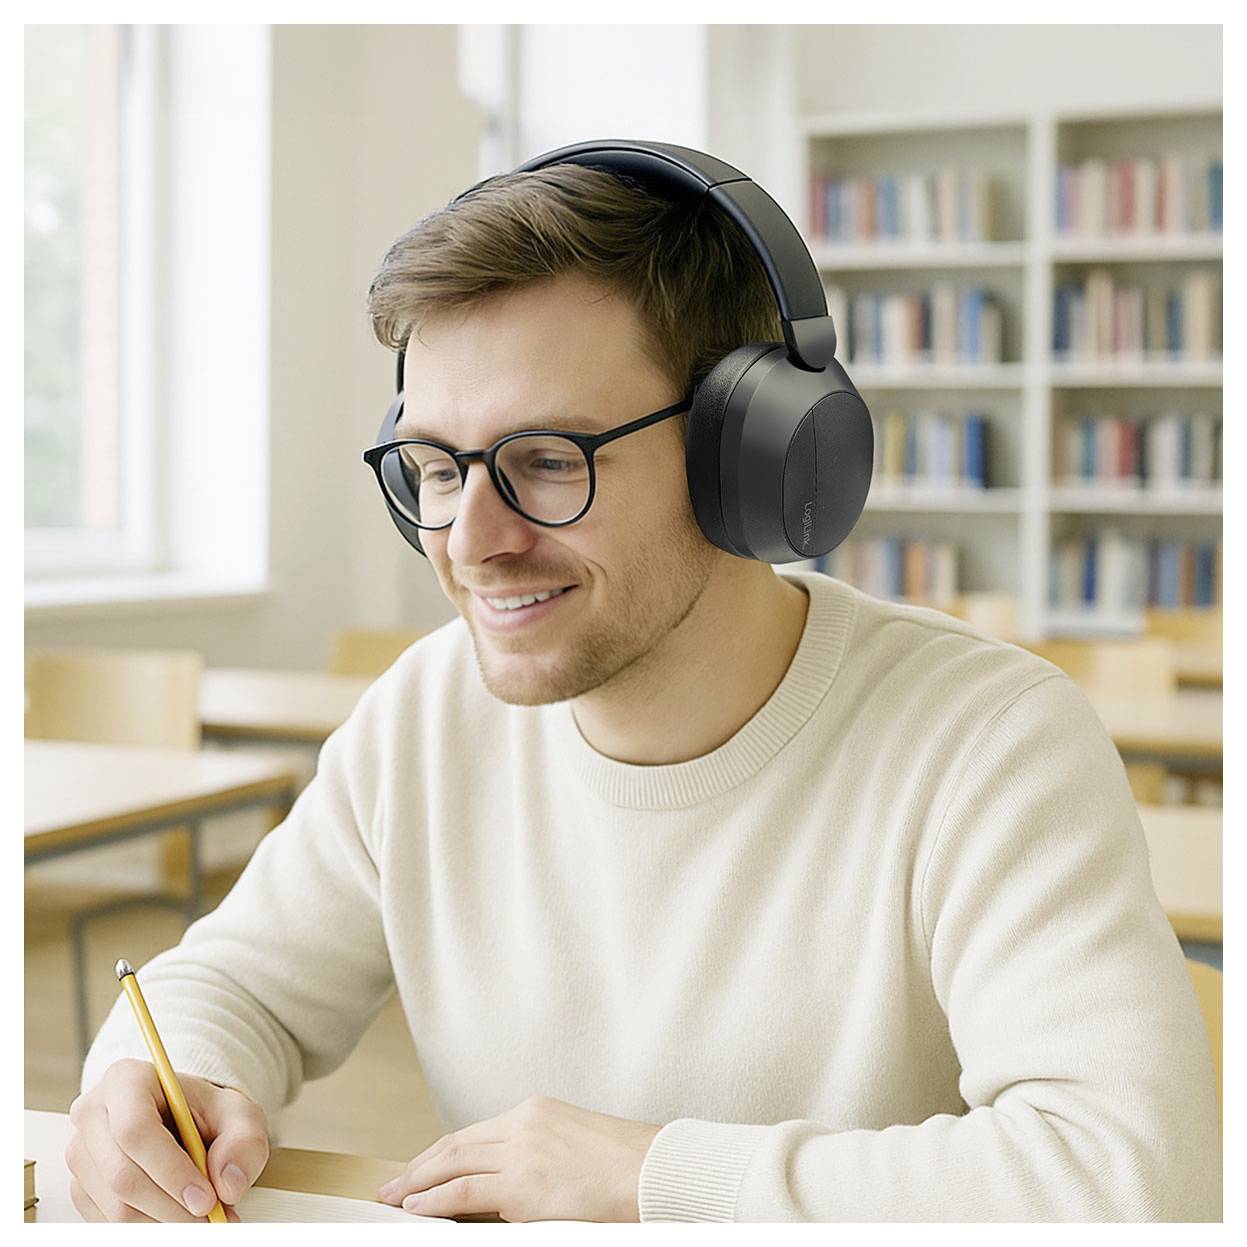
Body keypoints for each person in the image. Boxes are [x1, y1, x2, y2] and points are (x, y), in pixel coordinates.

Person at [68, 161, 1221, 1223]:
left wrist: (649, 1174)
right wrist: (156, 1085)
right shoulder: (426, 713)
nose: (469, 539)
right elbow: (235, 983)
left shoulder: (987, 739)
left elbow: (1128, 1173)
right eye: (433, 466)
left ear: (750, 458)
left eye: (546, 460)